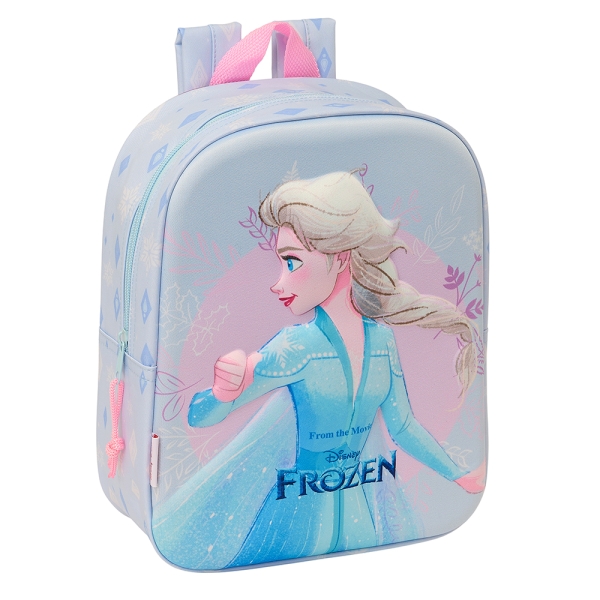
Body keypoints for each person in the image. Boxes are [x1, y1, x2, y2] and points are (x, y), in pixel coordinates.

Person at [152, 171, 485, 570]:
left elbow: (404, 427)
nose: (278, 283)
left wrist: (459, 475)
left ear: (340, 257)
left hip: (360, 513)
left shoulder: (382, 342)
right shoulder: (297, 346)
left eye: (292, 262)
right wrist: (223, 393)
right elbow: (199, 416)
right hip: (295, 513)